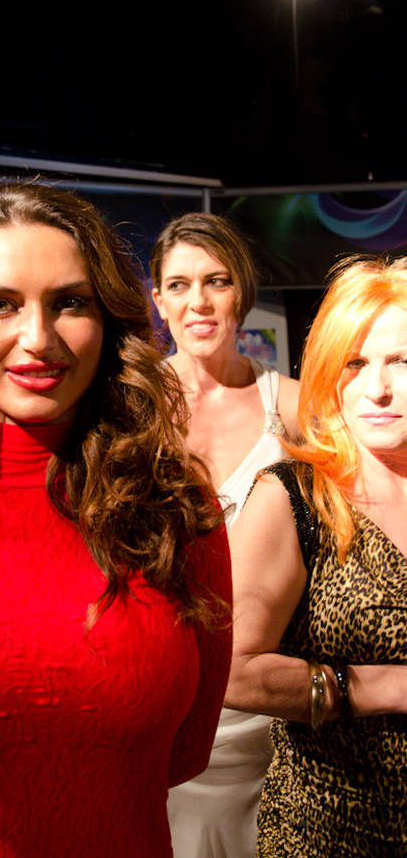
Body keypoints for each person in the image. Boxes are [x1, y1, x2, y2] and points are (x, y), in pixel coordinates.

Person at [0, 182, 232, 857]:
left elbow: (186, 751)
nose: (38, 339)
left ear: (108, 321)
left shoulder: (178, 510)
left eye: (69, 303)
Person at [226, 255, 407, 857]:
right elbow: (231, 669)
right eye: (355, 363)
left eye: (402, 361)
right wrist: (379, 687)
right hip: (332, 834)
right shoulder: (293, 497)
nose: (377, 388)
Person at [149, 212, 300, 858]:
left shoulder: (294, 407)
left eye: (217, 281)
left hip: (262, 715)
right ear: (158, 300)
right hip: (155, 701)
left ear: (243, 289)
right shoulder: (129, 408)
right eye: (179, 285)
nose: (199, 302)